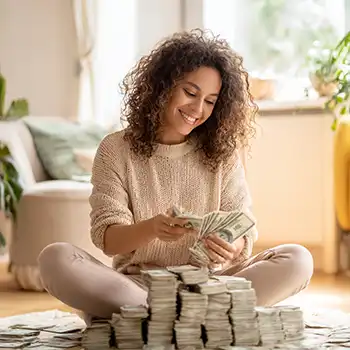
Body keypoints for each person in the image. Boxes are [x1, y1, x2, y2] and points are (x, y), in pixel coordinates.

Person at [38, 29, 314, 323]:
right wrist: (153, 229)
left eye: (210, 101)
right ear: (163, 86)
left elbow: (242, 229)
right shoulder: (115, 149)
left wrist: (230, 247)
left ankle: (150, 319)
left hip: (210, 286)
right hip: (138, 288)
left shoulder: (221, 154)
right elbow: (108, 240)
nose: (198, 109)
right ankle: (191, 317)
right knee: (54, 258)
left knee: (298, 259)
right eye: (191, 93)